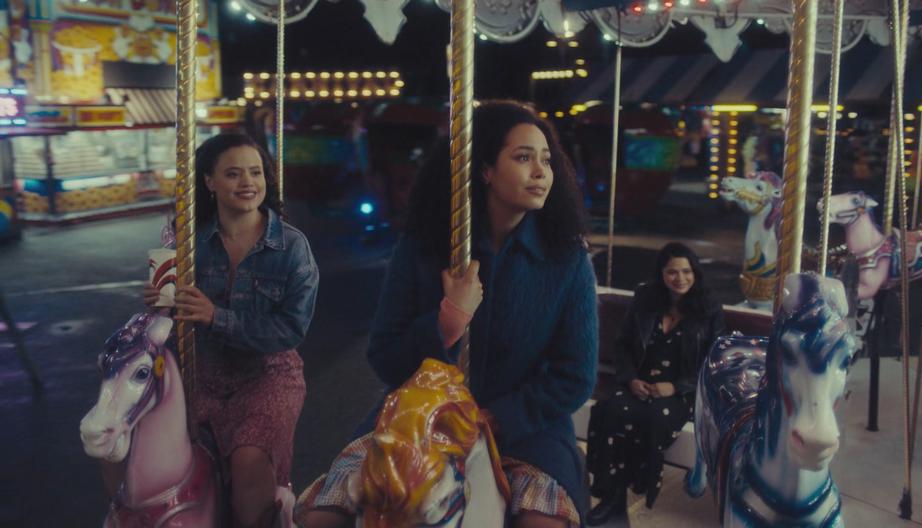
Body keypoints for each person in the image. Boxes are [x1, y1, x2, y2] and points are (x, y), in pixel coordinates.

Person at [296, 100, 598, 528]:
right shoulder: (423, 248)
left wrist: (496, 418)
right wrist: (446, 324)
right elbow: (385, 354)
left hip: (528, 429)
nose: (540, 172)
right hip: (418, 417)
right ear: (485, 170)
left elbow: (574, 375)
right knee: (322, 517)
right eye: (523, 157)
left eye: (546, 160)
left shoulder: (566, 260)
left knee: (541, 522)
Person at [138, 133, 319, 527]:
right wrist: (162, 303)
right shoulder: (188, 241)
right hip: (203, 373)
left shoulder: (291, 247)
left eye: (255, 172)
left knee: (248, 457)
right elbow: (173, 314)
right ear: (209, 182)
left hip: (268, 373)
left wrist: (214, 317)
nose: (247, 183)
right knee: (135, 441)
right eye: (233, 174)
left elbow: (291, 328)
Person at [585, 242, 723, 526]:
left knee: (650, 419)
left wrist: (675, 387)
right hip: (640, 384)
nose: (680, 278)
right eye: (672, 272)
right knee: (610, 411)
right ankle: (612, 499)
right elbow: (623, 344)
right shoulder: (646, 300)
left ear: (695, 272)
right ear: (661, 274)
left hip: (682, 393)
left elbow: (712, 361)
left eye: (686, 271)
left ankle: (638, 488)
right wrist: (630, 379)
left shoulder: (708, 310)